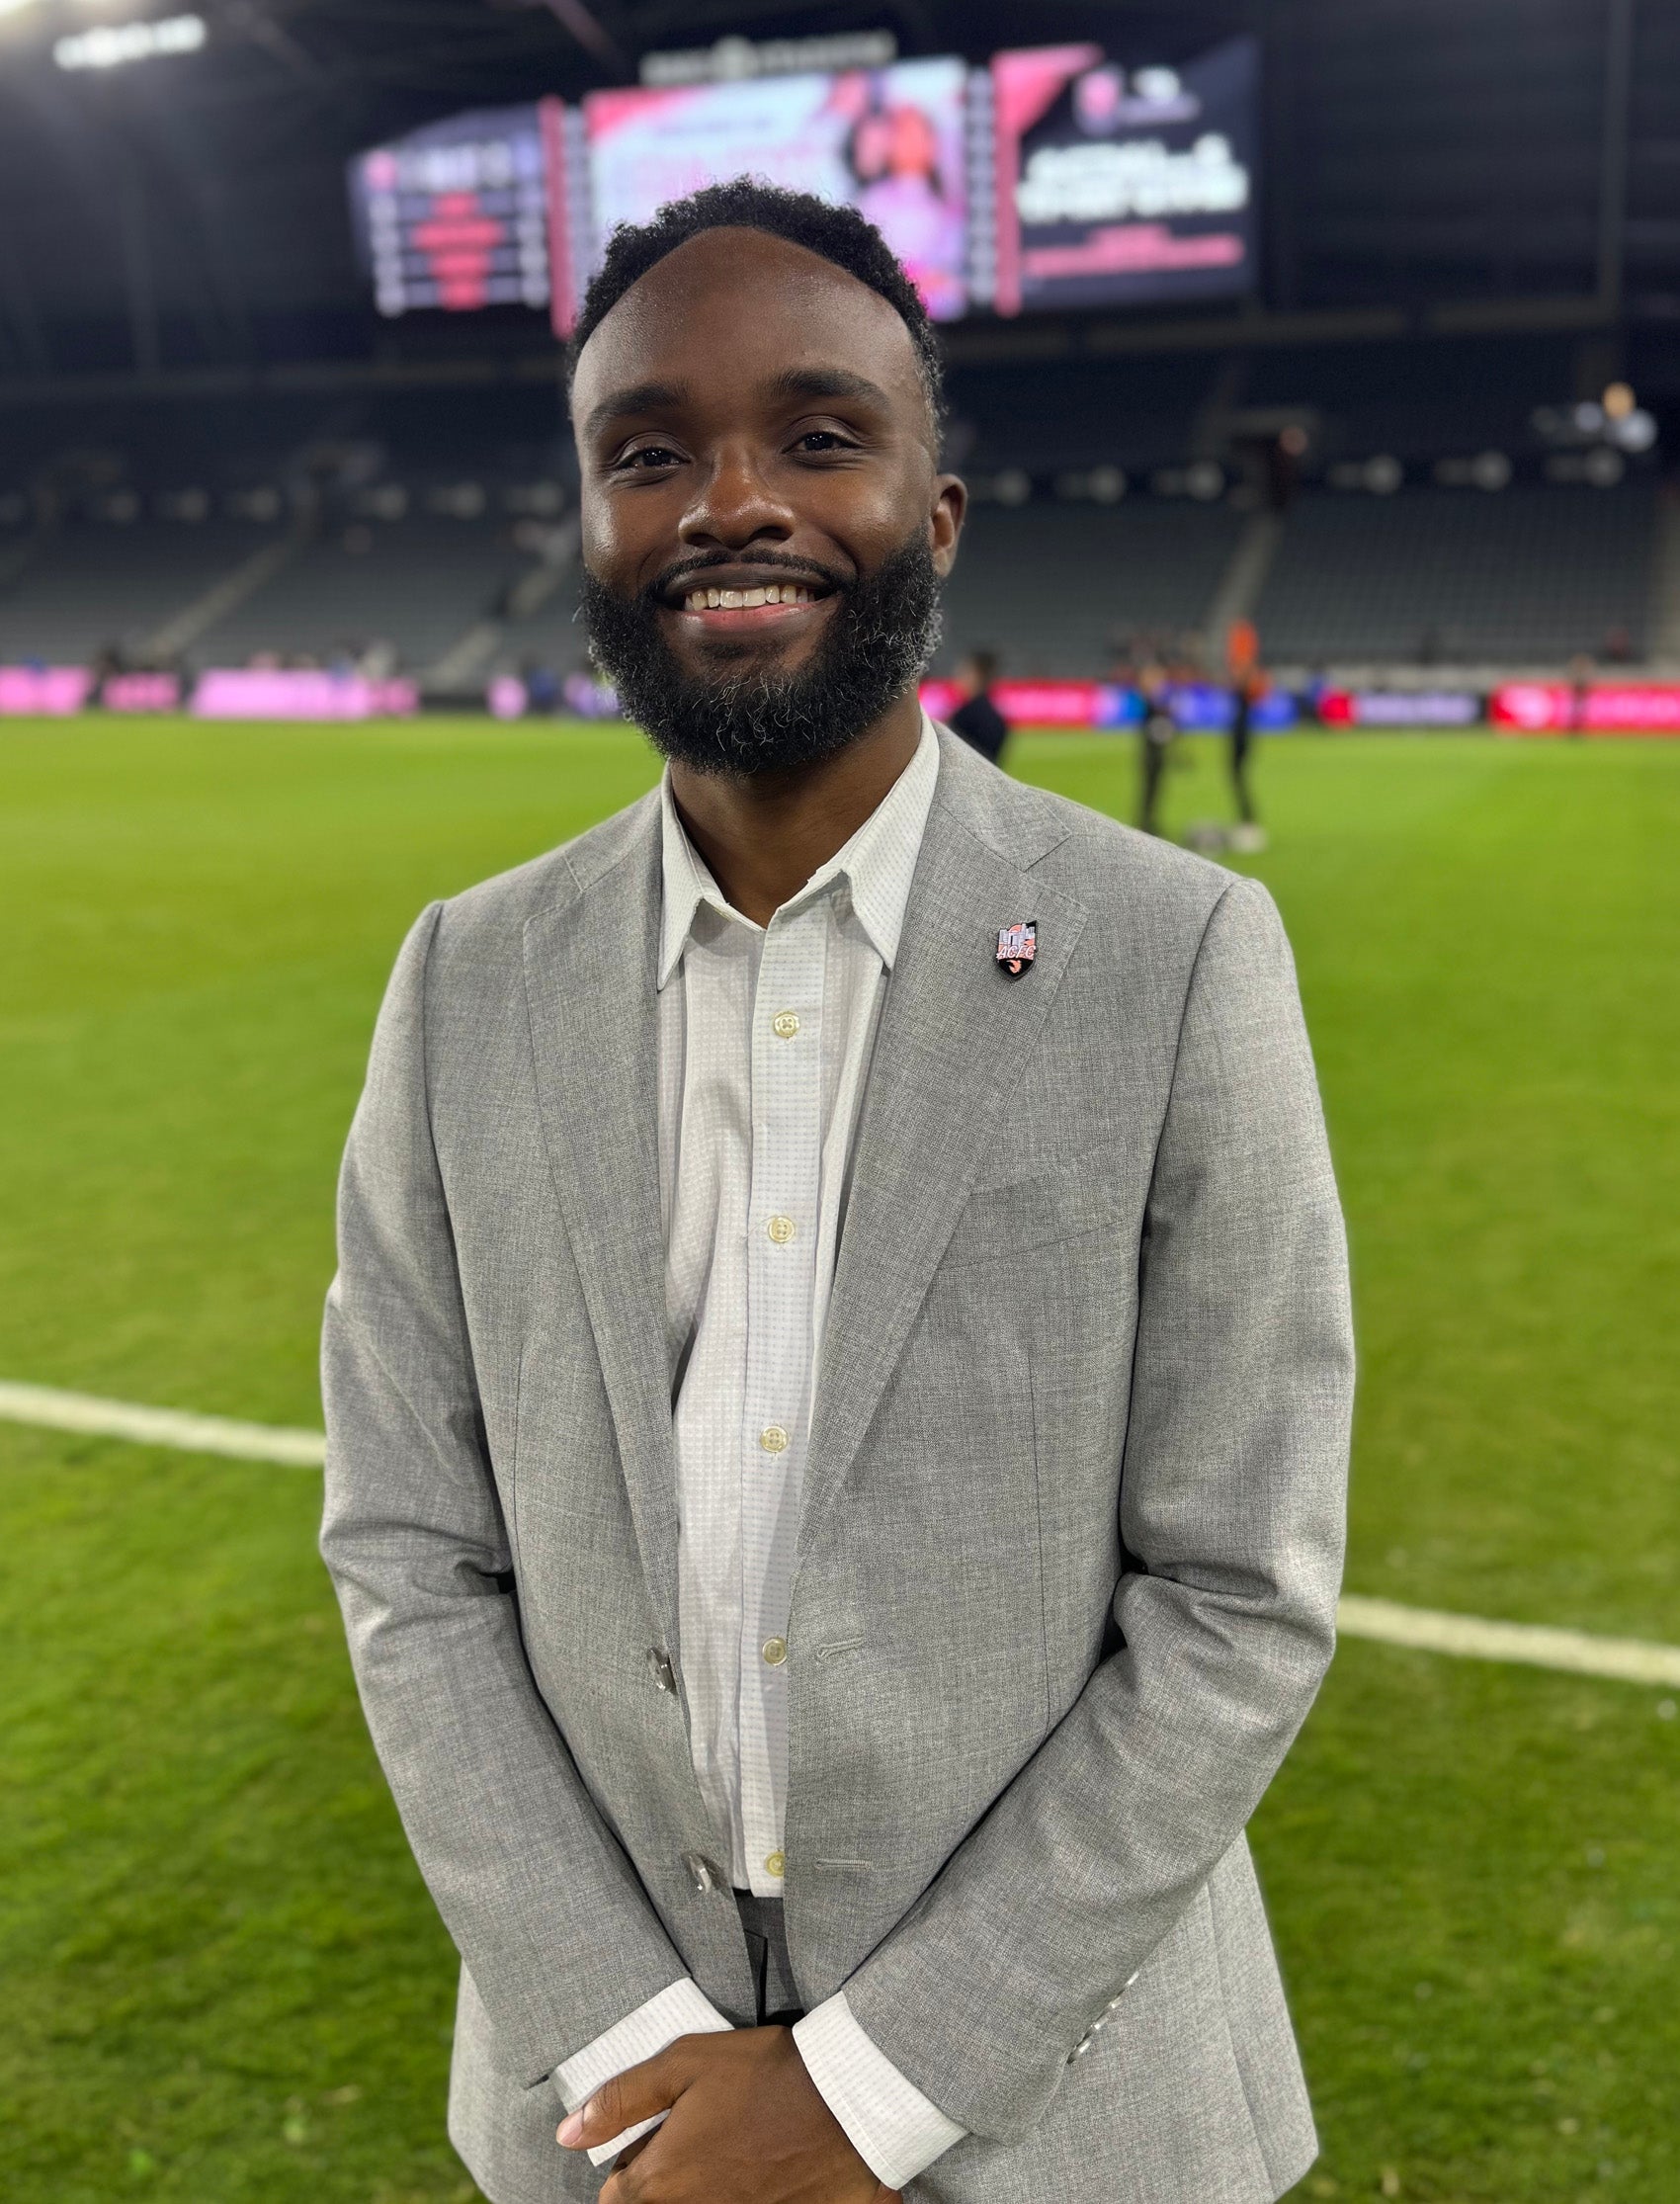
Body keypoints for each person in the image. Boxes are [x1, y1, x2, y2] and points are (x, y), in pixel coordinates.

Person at [320, 179, 1353, 2204]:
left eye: (816, 434)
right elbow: (411, 1556)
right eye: (647, 451)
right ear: (589, 529)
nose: (729, 500)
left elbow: (1238, 1592)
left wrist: (865, 2089)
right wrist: (634, 2050)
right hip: (604, 2120)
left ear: (933, 513)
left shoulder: (1175, 956)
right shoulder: (466, 979)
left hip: (1069, 2118)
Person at [946, 648, 1009, 763]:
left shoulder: (965, 716)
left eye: (964, 671)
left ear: (977, 675)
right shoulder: (996, 716)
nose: (957, 676)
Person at [1136, 658, 1177, 835]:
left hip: (1158, 749)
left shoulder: (1159, 698)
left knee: (1155, 789)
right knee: (1149, 789)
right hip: (1151, 750)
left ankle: (1149, 821)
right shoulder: (1149, 698)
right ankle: (1145, 822)